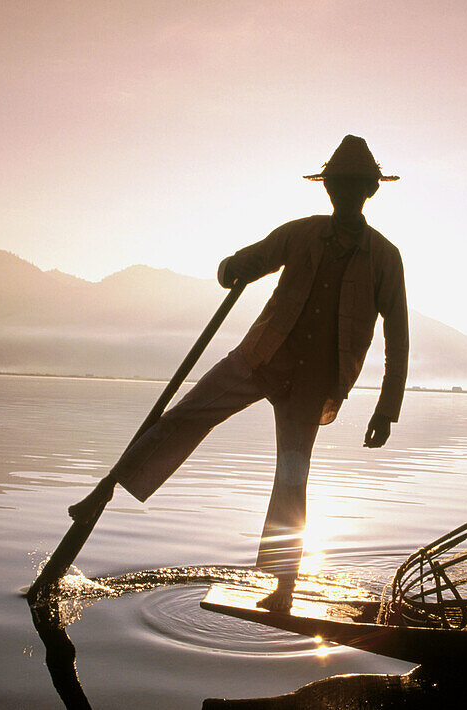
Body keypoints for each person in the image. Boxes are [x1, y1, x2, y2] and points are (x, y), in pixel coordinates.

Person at [68, 135, 408, 611]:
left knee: (292, 477)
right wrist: (232, 268)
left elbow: (399, 336)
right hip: (259, 359)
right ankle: (103, 493)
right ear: (329, 190)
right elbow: (252, 260)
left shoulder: (385, 258)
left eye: (354, 186)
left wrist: (386, 409)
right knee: (187, 414)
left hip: (314, 384)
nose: (344, 194)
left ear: (368, 191)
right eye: (338, 186)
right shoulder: (302, 233)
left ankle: (283, 585)